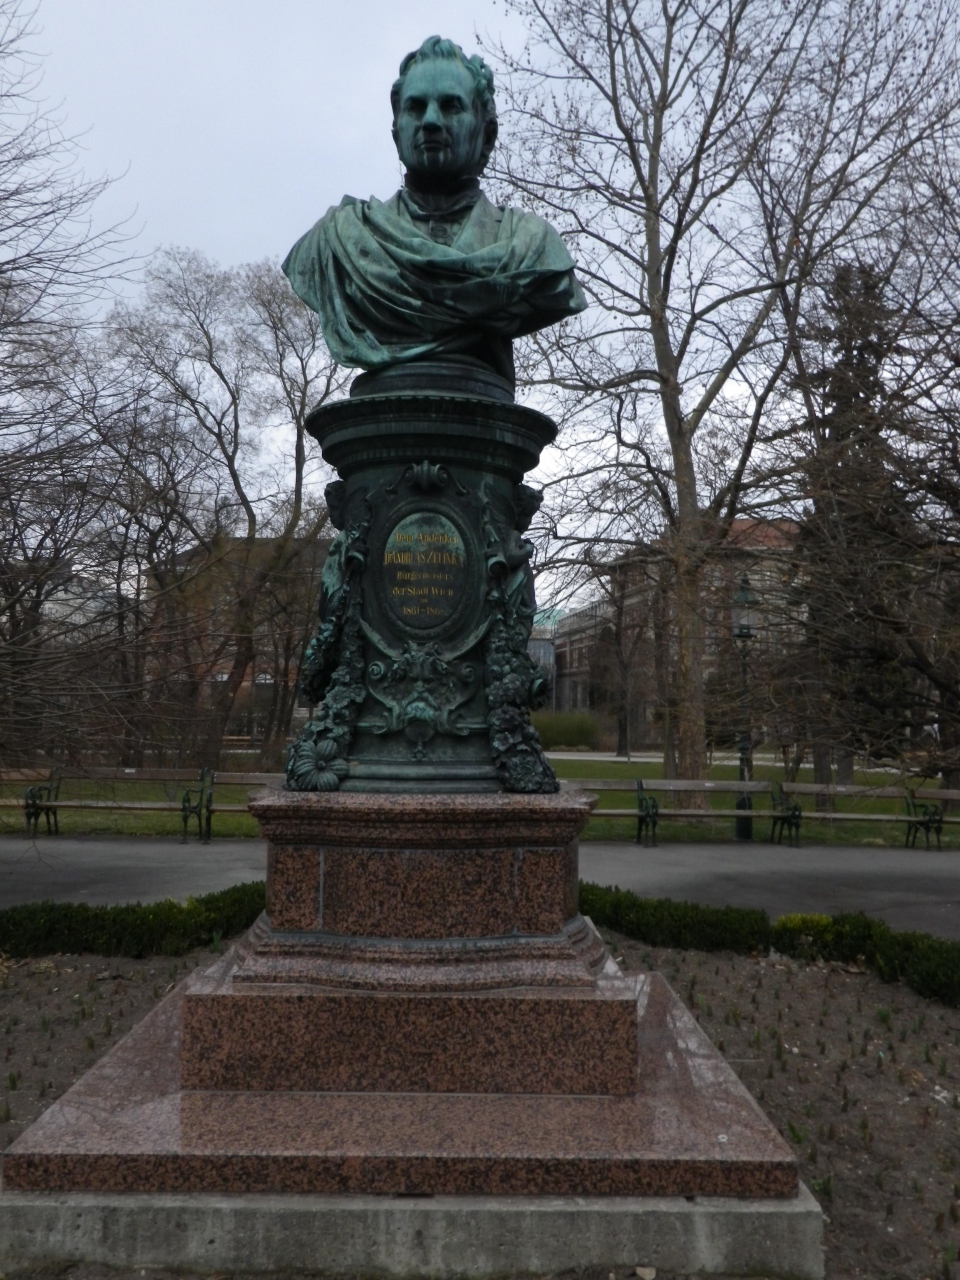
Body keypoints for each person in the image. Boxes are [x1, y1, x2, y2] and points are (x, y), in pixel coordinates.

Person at [282, 36, 586, 392]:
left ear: (487, 135)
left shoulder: (533, 246)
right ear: (396, 132)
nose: (429, 120)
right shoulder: (337, 241)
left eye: (450, 106)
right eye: (415, 107)